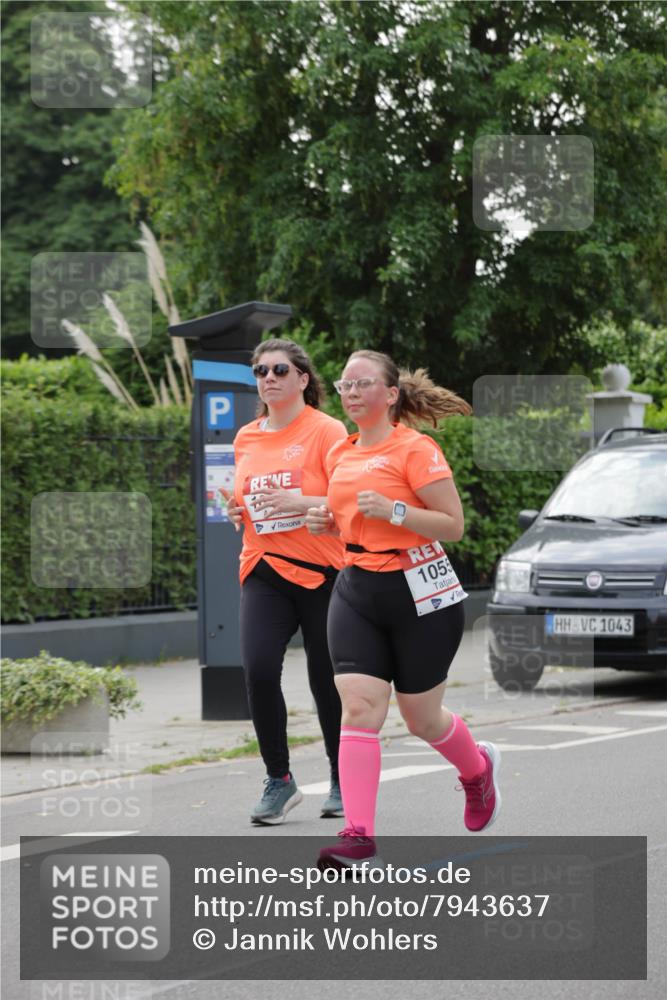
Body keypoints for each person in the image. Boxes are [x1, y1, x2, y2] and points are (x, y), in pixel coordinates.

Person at [306, 350, 501, 868]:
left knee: (422, 719)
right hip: (356, 588)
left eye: (362, 383)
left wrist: (394, 509)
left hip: (419, 592)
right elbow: (351, 517)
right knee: (359, 709)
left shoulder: (416, 449)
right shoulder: (340, 453)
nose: (349, 392)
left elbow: (452, 524)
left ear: (390, 394)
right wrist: (331, 523)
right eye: (344, 384)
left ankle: (477, 773)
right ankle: (358, 837)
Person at [222, 338, 346, 825]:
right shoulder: (246, 437)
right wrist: (237, 509)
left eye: (278, 369)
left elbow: (347, 496)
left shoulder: (327, 430)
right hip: (264, 568)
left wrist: (303, 504)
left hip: (323, 570)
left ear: (302, 378)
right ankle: (280, 779)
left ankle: (341, 777)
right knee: (256, 669)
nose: (267, 378)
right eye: (259, 371)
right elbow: (246, 498)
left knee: (327, 680)